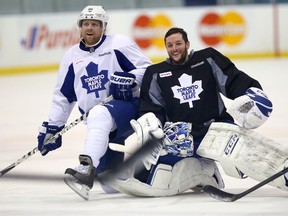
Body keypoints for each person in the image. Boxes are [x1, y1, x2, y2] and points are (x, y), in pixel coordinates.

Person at [108, 27, 287, 197]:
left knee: (250, 157)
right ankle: (205, 169)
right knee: (149, 176)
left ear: (187, 44)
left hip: (217, 129)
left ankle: (283, 173)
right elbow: (152, 108)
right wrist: (153, 130)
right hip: (180, 136)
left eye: (178, 43)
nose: (174, 48)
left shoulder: (208, 58)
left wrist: (251, 93)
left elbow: (232, 80)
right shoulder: (155, 73)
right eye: (170, 45)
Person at [36, 5, 151, 200]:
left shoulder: (119, 44)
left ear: (103, 27)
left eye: (95, 24)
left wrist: (130, 77)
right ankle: (142, 173)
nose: (90, 28)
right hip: (99, 124)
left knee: (99, 113)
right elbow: (63, 96)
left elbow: (147, 70)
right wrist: (53, 126)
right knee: (110, 183)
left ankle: (86, 167)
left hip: (129, 108)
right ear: (80, 27)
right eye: (86, 24)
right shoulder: (72, 56)